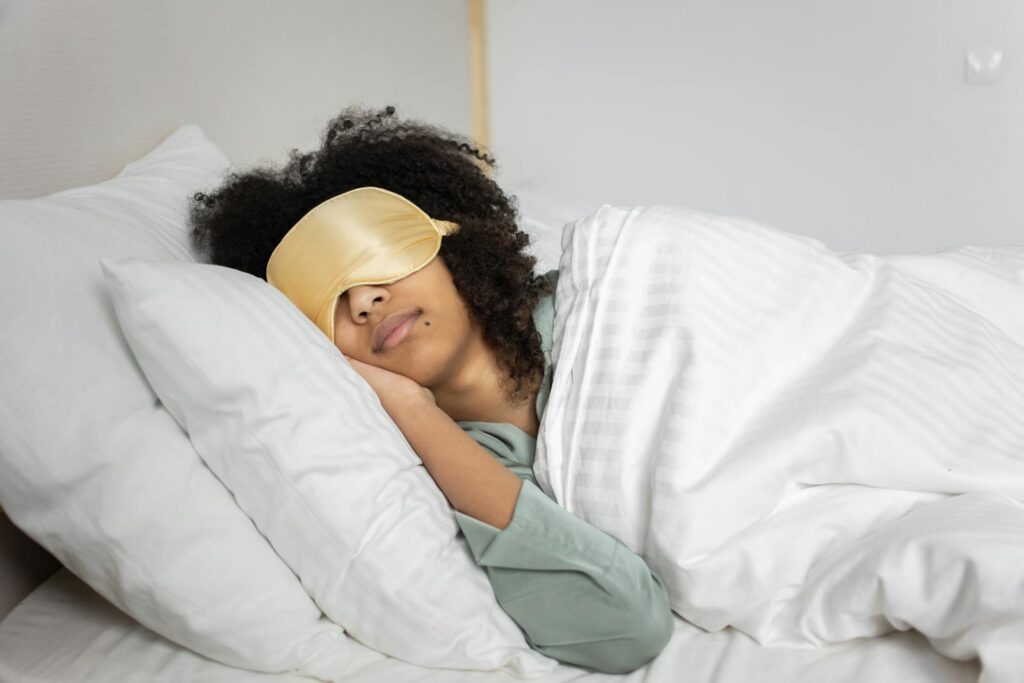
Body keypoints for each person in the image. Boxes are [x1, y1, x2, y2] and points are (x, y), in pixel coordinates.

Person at [189, 105, 674, 674]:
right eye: (327, 301)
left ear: (450, 237)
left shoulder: (602, 295)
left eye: (373, 254)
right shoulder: (466, 469)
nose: (363, 300)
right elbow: (628, 627)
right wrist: (412, 411)